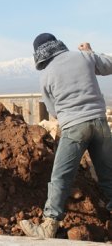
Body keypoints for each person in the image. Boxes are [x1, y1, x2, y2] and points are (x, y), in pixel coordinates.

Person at [19, 33, 112, 239]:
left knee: (60, 176)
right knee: (108, 175)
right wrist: (90, 51)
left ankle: (49, 225)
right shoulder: (83, 56)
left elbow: (53, 111)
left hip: (74, 128)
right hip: (99, 123)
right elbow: (110, 65)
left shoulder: (45, 76)